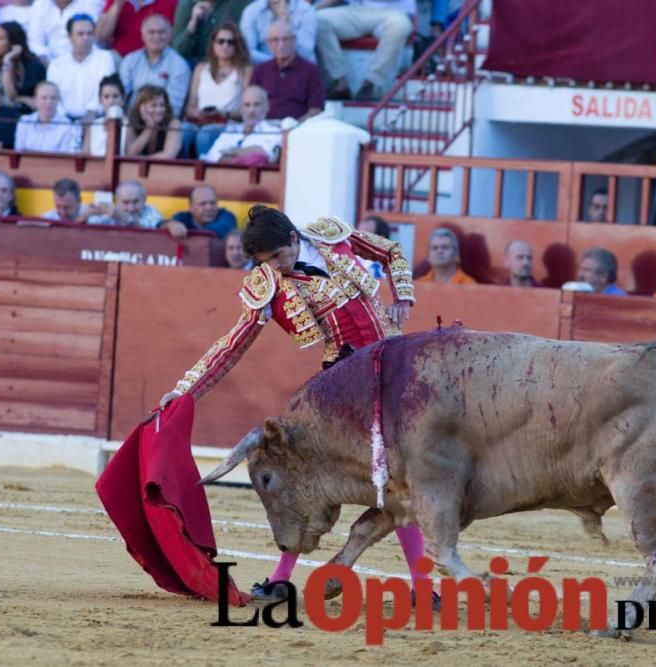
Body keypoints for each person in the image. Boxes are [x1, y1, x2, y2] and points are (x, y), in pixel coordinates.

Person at [155, 206, 429, 604]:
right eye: (266, 262)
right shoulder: (267, 283)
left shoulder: (331, 235)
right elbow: (232, 345)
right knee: (315, 482)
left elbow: (390, 252)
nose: (276, 268)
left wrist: (403, 295)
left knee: (398, 479)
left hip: (394, 363)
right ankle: (281, 578)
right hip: (344, 382)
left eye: (278, 257)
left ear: (292, 239)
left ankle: (423, 587)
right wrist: (185, 390)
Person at [314, 0, 413, 101]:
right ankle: (340, 80)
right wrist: (311, 8)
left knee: (401, 26)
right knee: (318, 19)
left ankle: (371, 82)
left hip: (392, 13)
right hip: (356, 10)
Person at [183, 22, 252, 156]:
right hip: (199, 121)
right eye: (220, 41)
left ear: (237, 45)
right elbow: (190, 107)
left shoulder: (244, 70)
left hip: (228, 122)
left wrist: (223, 113)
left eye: (230, 42)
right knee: (183, 130)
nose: (225, 45)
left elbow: (247, 108)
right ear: (213, 44)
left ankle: (205, 171)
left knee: (205, 134)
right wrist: (198, 113)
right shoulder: (200, 69)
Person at [250, 18, 323, 121]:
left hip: (298, 129)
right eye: (275, 40)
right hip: (265, 128)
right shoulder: (260, 71)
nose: (281, 45)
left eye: (286, 39)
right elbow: (250, 105)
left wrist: (294, 126)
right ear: (268, 44)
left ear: (294, 40)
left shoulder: (310, 71)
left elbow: (316, 110)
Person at [119, 14, 191, 117]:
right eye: (151, 32)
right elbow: (122, 95)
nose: (156, 36)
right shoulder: (130, 60)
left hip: (162, 124)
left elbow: (174, 107)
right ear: (143, 35)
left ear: (170, 35)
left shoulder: (179, 65)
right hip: (131, 120)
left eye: (161, 32)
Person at [45, 14, 115, 120]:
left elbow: (106, 90)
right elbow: (53, 96)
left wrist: (93, 112)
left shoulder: (105, 58)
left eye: (89, 33)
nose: (85, 38)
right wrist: (64, 118)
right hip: (62, 121)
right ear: (69, 37)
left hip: (97, 119)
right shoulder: (56, 64)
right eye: (80, 34)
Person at [203, 85, 282, 164]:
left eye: (256, 105)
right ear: (241, 109)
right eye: (247, 105)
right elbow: (212, 156)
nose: (251, 110)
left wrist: (231, 151)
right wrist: (241, 159)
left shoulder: (275, 132)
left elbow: (265, 155)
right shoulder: (231, 130)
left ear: (266, 107)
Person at [171, 0, 250, 65]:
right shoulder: (187, 5)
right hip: (196, 62)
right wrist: (193, 24)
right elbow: (178, 52)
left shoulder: (241, 3)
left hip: (231, 62)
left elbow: (246, 45)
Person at [0, 21, 46, 112]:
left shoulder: (33, 66)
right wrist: (7, 60)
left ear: (13, 42)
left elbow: (37, 100)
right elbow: (8, 97)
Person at [26, 0, 102, 64]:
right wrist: (51, 63)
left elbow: (91, 37)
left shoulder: (89, 3)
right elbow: (35, 42)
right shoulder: (41, 4)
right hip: (47, 63)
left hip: (83, 60)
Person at [240, 0, 315, 65]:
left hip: (300, 68)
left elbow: (306, 51)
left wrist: (287, 23)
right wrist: (275, 63)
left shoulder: (305, 10)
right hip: (265, 69)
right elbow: (247, 51)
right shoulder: (251, 11)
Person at [14, 80, 80, 152]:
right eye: (44, 98)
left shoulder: (68, 126)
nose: (49, 102)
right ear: (35, 100)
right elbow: (19, 152)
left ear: (58, 100)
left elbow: (65, 159)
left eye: (53, 98)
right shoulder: (24, 121)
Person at [95, 0, 175, 57]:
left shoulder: (169, 2)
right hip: (120, 58)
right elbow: (101, 37)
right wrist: (117, 6)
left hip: (152, 59)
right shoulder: (115, 2)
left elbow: (172, 39)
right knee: (109, 58)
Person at [124, 84, 182, 158]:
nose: (159, 110)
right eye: (153, 105)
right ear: (141, 107)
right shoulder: (131, 122)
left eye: (162, 105)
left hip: (169, 169)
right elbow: (130, 153)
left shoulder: (174, 123)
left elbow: (168, 156)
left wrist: (141, 159)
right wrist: (149, 128)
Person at [82, 73, 127, 156]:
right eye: (106, 97)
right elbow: (85, 154)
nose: (111, 101)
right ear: (100, 100)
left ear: (123, 99)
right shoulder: (93, 125)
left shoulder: (128, 125)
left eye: (115, 96)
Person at [87, 179, 163, 228]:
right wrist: (86, 216)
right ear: (116, 201)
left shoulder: (152, 213)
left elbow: (149, 231)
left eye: (136, 202)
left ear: (144, 200)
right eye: (125, 202)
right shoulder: (107, 211)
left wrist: (124, 217)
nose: (131, 208)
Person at [169, 184, 237, 238]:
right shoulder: (183, 217)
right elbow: (162, 225)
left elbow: (214, 232)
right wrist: (170, 225)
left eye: (212, 203)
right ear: (191, 207)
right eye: (203, 204)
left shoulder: (227, 217)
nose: (209, 208)